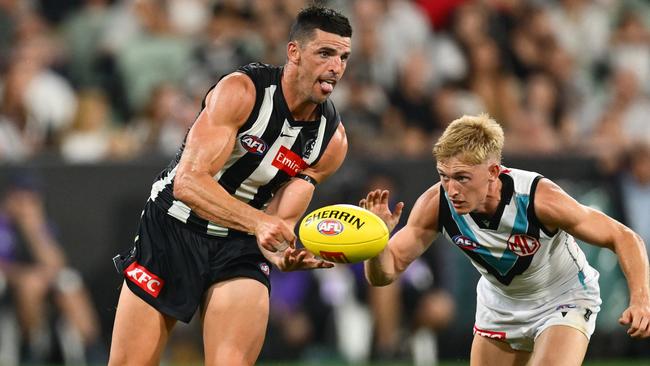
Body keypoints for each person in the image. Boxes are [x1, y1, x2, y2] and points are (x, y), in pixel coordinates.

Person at [109, 6, 352, 366]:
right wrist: (258, 224)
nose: (336, 67)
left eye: (344, 57)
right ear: (294, 53)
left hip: (240, 246)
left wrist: (278, 250)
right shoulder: (242, 92)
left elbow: (279, 219)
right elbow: (188, 183)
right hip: (174, 228)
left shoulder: (330, 142)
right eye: (326, 53)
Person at [361, 114, 650, 366]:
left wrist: (641, 300)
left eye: (461, 177)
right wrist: (376, 243)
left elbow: (623, 236)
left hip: (563, 297)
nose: (451, 189)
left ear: (493, 172)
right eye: (443, 176)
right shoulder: (436, 204)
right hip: (500, 305)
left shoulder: (538, 198)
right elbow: (385, 273)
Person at [0, 173, 103, 364]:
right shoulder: (3, 224)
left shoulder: (40, 224)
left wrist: (33, 228)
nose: (28, 203)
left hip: (40, 281)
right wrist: (24, 275)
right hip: (12, 284)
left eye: (33, 197)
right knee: (31, 284)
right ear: (11, 196)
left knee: (70, 285)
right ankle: (31, 348)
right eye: (23, 196)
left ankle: (92, 349)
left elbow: (57, 263)